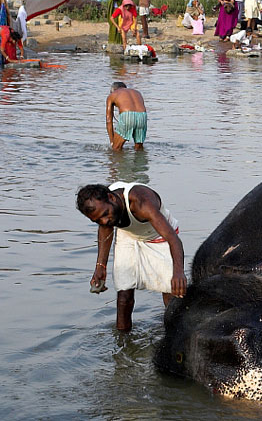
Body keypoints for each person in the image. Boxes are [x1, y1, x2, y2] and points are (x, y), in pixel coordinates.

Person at [75, 182, 186, 333]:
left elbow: (173, 239)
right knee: (124, 294)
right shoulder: (105, 208)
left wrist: (178, 272)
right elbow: (105, 229)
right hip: (129, 236)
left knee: (172, 290)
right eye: (98, 220)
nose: (104, 221)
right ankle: (123, 338)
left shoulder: (141, 201)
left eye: (105, 214)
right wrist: (100, 266)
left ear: (111, 198)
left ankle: (176, 333)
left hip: (159, 237)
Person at [105, 82, 148, 150]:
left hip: (127, 115)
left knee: (116, 149)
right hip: (142, 115)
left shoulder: (113, 94)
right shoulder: (137, 92)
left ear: (113, 90)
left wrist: (112, 142)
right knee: (139, 149)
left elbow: (108, 120)